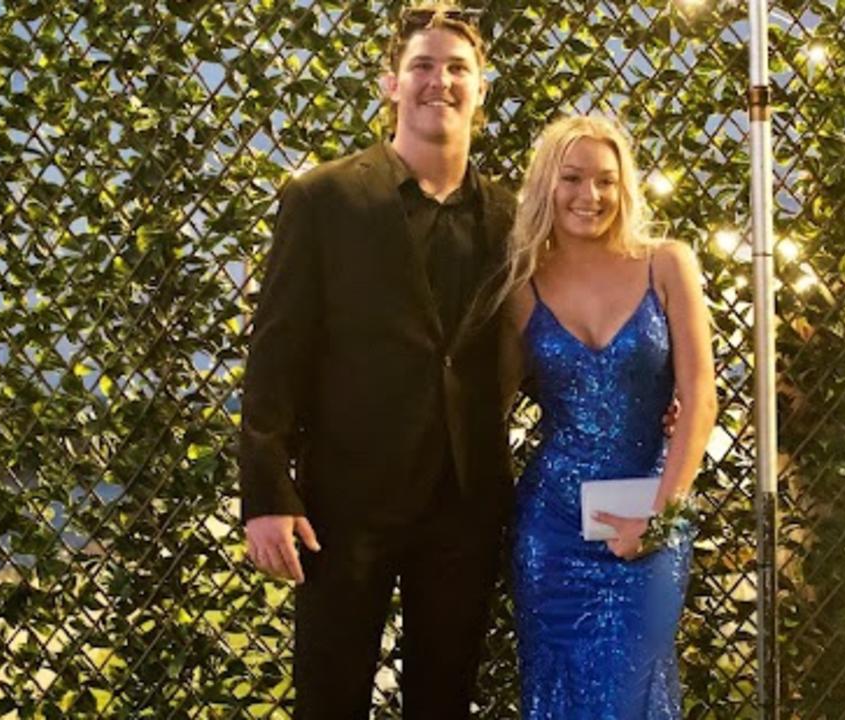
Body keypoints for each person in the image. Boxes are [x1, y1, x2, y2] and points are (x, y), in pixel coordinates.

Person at [238, 6, 517, 718]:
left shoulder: (513, 217)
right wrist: (267, 493)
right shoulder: (323, 197)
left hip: (465, 503)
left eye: (457, 69)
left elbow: (537, 341)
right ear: (390, 84)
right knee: (328, 698)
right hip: (343, 503)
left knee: (444, 700)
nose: (439, 82)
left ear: (481, 89)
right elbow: (276, 349)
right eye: (423, 66)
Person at [498, 116, 719, 718]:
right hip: (552, 532)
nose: (589, 196)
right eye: (571, 178)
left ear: (625, 189)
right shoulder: (521, 286)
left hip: (650, 513)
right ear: (546, 185)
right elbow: (484, 404)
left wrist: (662, 513)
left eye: (605, 181)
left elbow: (701, 396)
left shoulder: (667, 264)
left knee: (629, 689)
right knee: (559, 694)